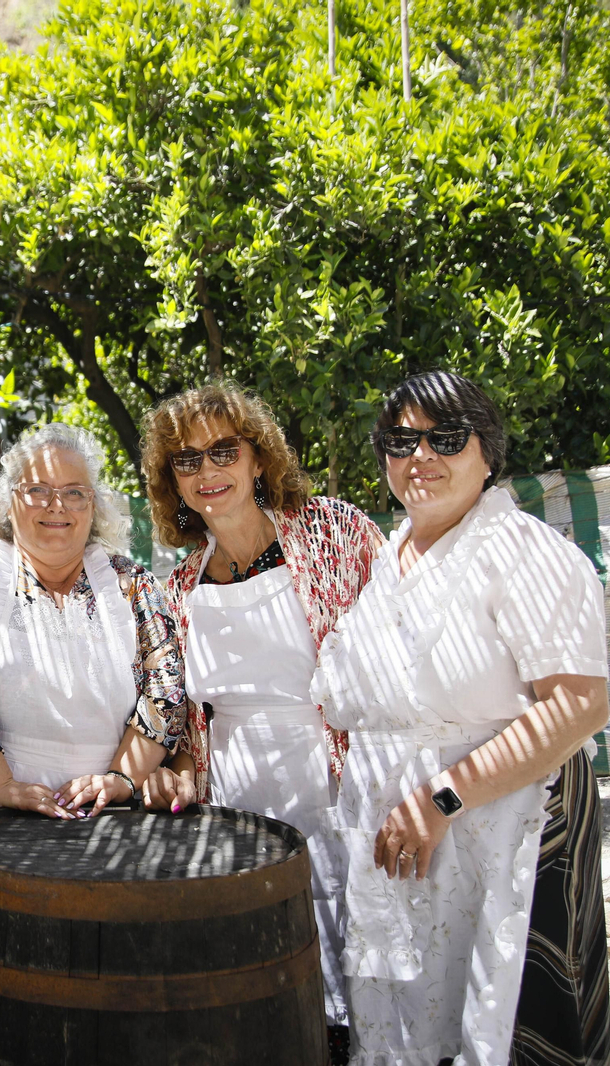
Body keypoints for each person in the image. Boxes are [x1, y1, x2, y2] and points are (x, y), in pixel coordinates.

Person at [312, 370, 610, 1065]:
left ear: (488, 451)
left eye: (445, 438)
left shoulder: (522, 550)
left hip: (501, 828)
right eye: (400, 440)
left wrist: (443, 797)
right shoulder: (389, 559)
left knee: (500, 1019)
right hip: (401, 847)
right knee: (404, 1022)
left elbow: (576, 705)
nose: (421, 457)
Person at [136, 383, 383, 1049]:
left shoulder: (333, 533)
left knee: (353, 993)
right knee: (263, 1000)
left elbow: (403, 653)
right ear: (172, 483)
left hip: (338, 789)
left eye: (223, 451)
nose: (208, 472)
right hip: (238, 809)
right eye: (187, 461)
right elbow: (192, 723)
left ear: (257, 458)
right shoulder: (180, 589)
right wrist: (180, 774)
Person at [0, 423, 189, 874]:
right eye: (37, 489)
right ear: (10, 500)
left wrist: (119, 780)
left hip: (110, 824)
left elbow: (166, 693)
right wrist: (5, 787)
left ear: (93, 505)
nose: (55, 505)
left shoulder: (132, 585)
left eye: (74, 492)